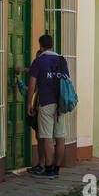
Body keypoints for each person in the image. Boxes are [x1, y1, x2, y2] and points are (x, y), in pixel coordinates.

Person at [26, 33, 70, 178]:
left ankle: (49, 169)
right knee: (60, 136)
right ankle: (57, 169)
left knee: (46, 137)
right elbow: (66, 81)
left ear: (41, 46)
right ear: (52, 45)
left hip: (46, 102)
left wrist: (29, 104)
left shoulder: (39, 61)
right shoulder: (61, 60)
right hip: (61, 103)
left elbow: (32, 85)